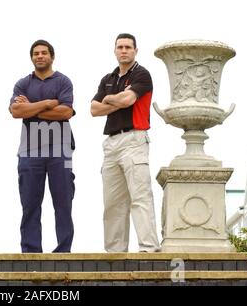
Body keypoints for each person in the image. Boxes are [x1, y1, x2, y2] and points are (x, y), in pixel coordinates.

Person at [90, 33, 160, 253]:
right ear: (114, 50)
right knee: (112, 204)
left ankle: (148, 249)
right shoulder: (108, 78)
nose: (123, 50)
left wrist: (110, 99)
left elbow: (128, 100)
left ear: (135, 51)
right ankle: (114, 254)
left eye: (128, 47)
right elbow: (93, 109)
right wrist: (118, 100)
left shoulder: (142, 74)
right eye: (120, 47)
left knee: (140, 198)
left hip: (134, 140)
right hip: (111, 144)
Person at [9, 40, 75, 253]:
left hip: (60, 149)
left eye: (44, 53)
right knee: (30, 204)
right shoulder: (22, 84)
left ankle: (63, 252)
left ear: (52, 57)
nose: (40, 56)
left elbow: (65, 112)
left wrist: (30, 108)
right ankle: (30, 252)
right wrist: (48, 103)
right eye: (36, 53)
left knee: (63, 203)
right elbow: (16, 112)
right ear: (32, 57)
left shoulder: (63, 81)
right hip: (29, 151)